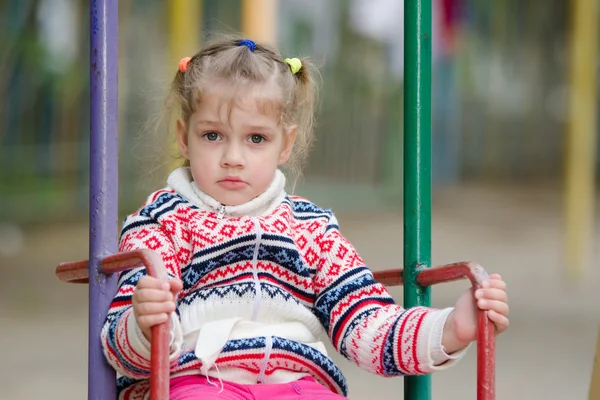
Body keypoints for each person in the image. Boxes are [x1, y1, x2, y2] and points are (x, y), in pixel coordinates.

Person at [101, 37, 509, 400]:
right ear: (182, 136)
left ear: (285, 145)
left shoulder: (310, 229)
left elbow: (367, 323)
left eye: (256, 138)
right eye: (213, 136)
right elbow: (125, 356)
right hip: (199, 379)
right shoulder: (161, 223)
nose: (233, 157)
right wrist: (143, 322)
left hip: (298, 384)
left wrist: (452, 329)